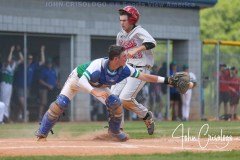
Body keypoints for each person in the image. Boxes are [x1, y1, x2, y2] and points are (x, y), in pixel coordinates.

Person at [35, 45, 195, 142]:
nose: (127, 58)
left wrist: (168, 80)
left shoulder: (125, 68)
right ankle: (42, 133)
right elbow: (82, 81)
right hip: (77, 79)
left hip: (99, 86)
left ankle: (114, 131)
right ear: (115, 59)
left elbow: (145, 76)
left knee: (116, 103)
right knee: (61, 104)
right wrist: (94, 91)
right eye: (124, 56)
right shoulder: (98, 65)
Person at [111, 6, 157, 135]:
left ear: (132, 20)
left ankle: (146, 115)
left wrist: (136, 49)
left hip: (141, 69)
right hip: (125, 68)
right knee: (112, 97)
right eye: (120, 20)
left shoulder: (139, 31)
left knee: (125, 99)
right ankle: (117, 129)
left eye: (125, 20)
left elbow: (152, 43)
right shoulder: (120, 34)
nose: (122, 23)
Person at [14, 45, 45, 121]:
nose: (29, 60)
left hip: (28, 86)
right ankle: (25, 112)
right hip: (20, 85)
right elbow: (21, 59)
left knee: (23, 102)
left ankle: (20, 116)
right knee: (21, 100)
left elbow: (43, 62)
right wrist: (19, 51)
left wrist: (42, 51)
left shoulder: (33, 66)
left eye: (31, 59)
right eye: (28, 58)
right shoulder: (22, 65)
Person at [0, 45, 23, 122]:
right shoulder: (5, 65)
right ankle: (2, 118)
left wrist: (19, 51)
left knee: (7, 101)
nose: (12, 60)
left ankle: (5, 117)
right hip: (4, 84)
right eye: (12, 59)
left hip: (10, 85)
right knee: (3, 101)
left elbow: (22, 60)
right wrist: (11, 51)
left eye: (13, 59)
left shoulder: (13, 65)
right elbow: (8, 60)